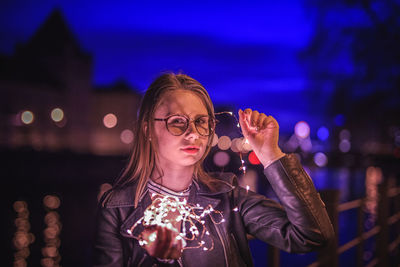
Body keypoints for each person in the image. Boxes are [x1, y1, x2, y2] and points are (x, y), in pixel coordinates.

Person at [93, 73, 334, 267]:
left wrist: (270, 154)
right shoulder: (117, 209)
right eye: (177, 121)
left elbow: (312, 236)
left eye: (201, 122)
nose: (193, 133)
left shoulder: (228, 197)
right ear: (147, 129)